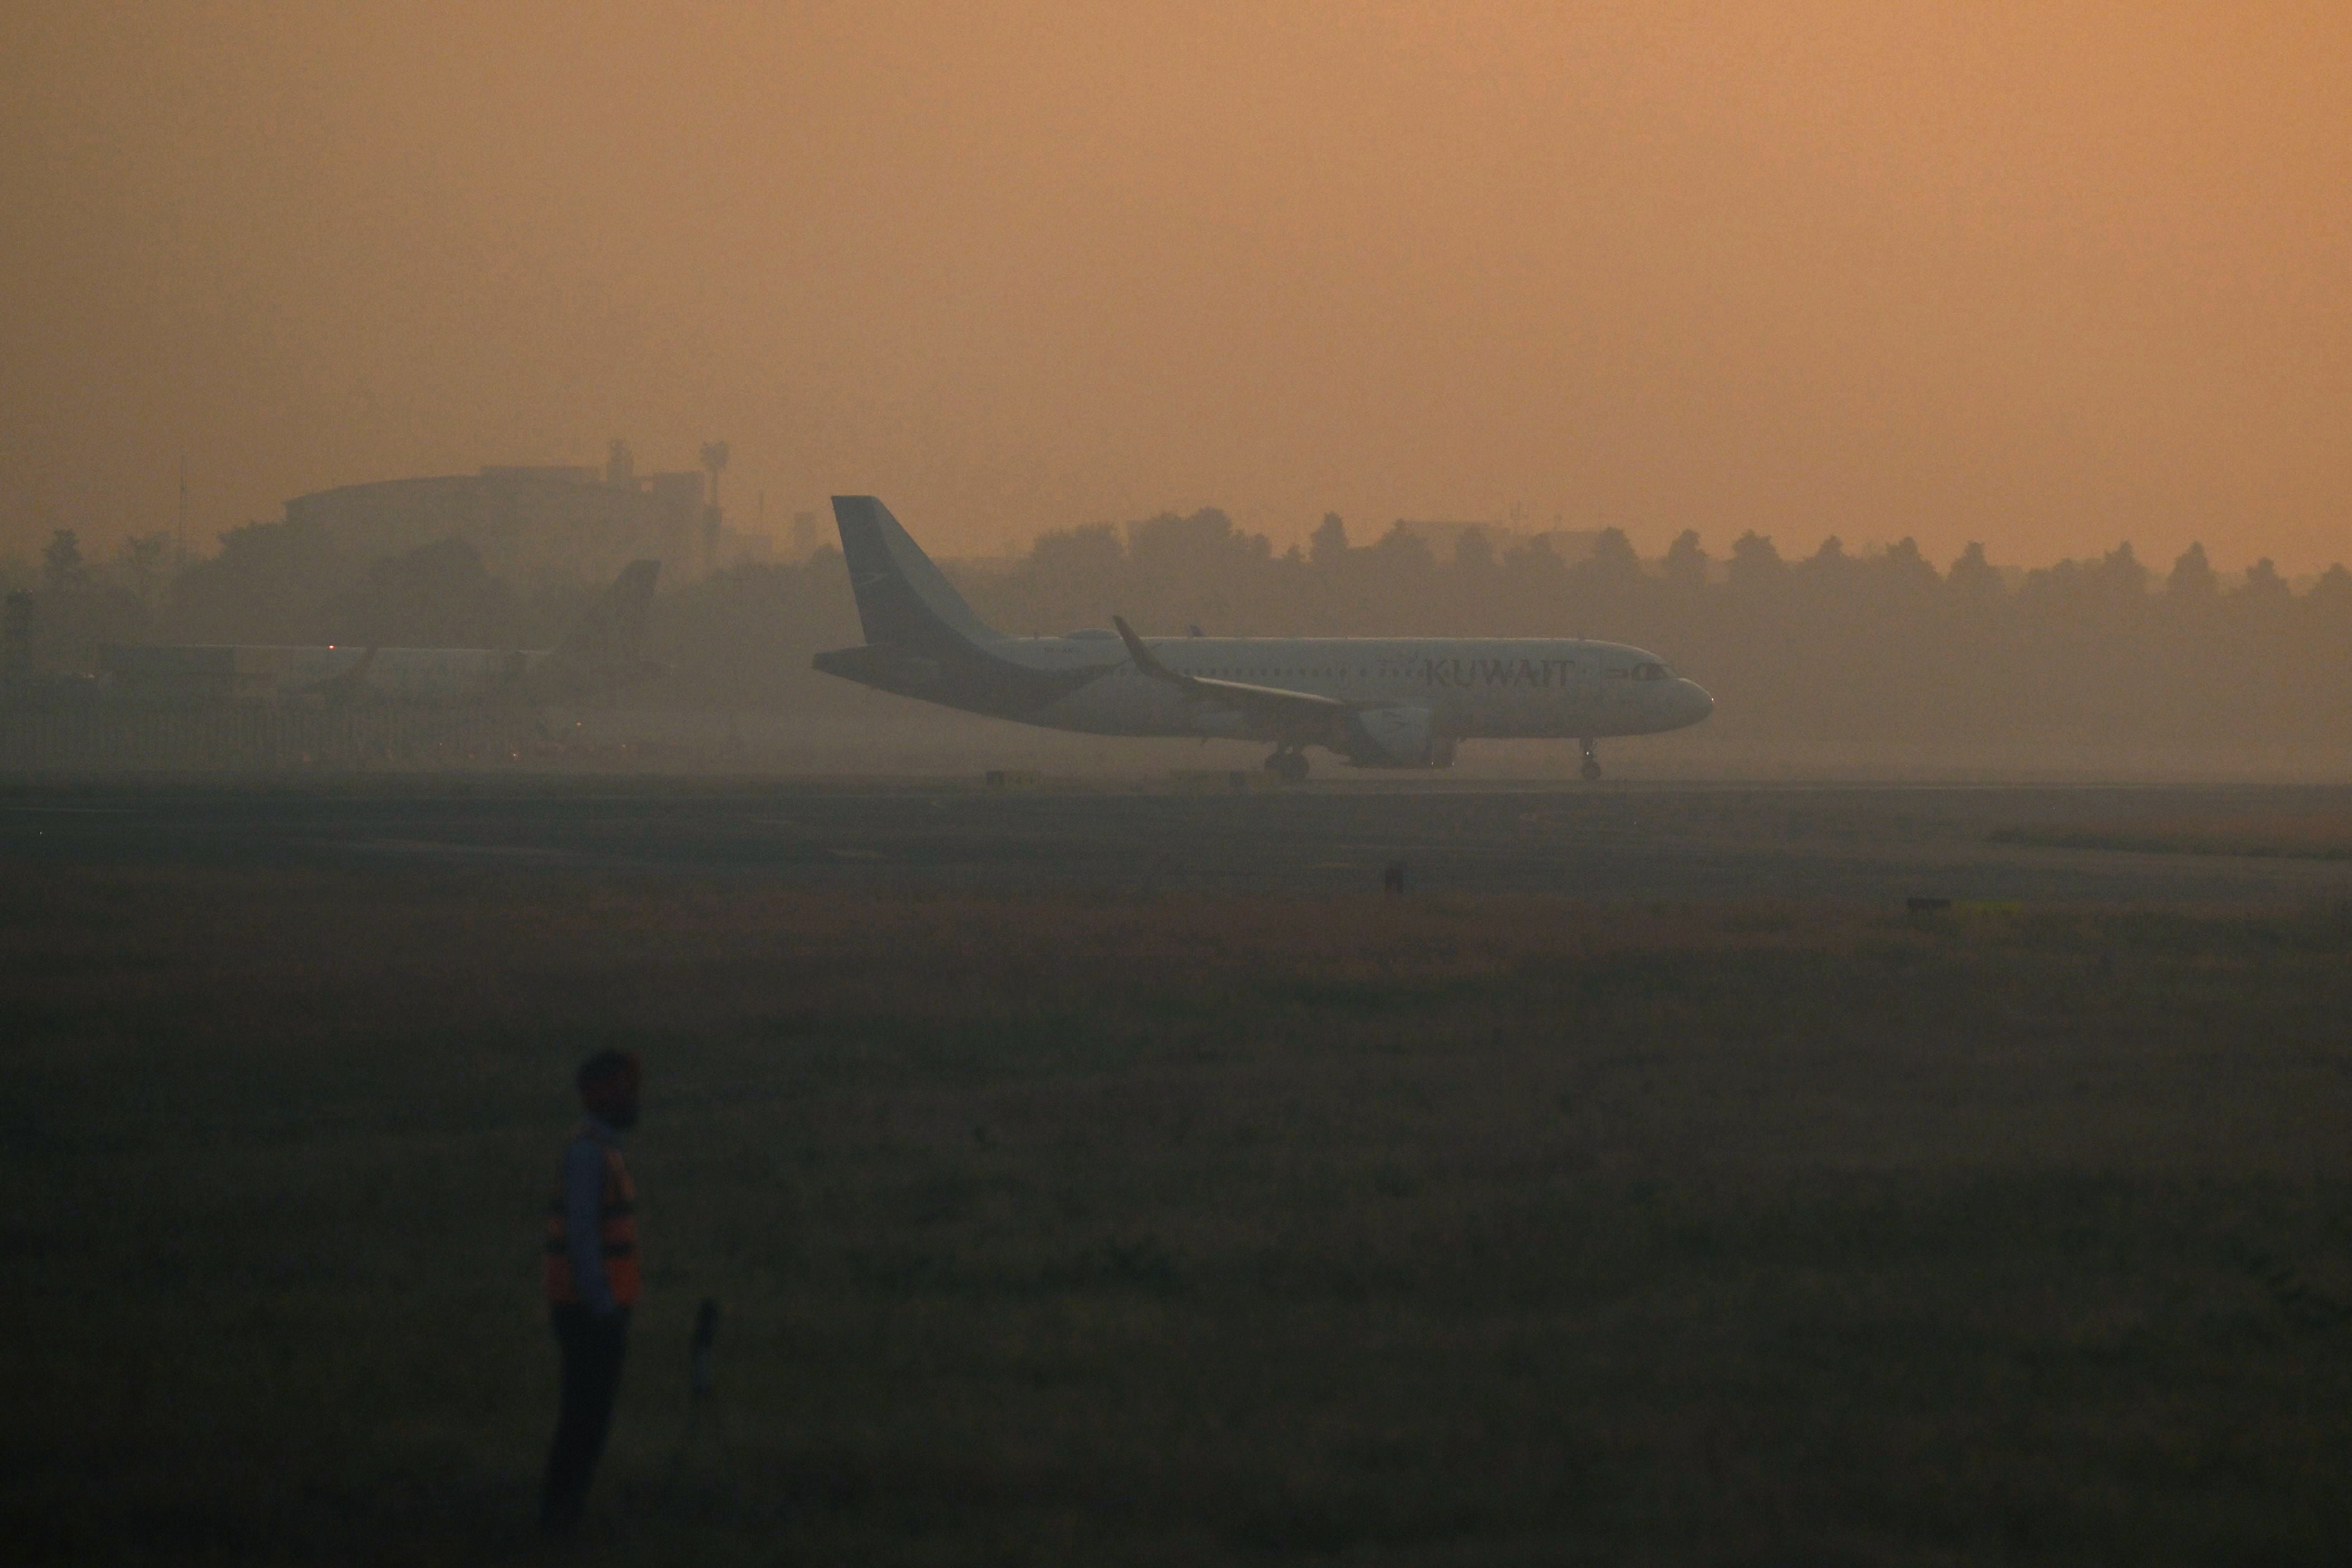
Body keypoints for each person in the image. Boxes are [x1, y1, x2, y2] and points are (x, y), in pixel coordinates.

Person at [538, 1049, 643, 1537]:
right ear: (599, 1094)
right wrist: (604, 1306)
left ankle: (565, 1512)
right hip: (589, 1310)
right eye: (623, 1089)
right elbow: (582, 1239)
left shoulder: (600, 1149)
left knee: (590, 1415)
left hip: (596, 1306)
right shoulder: (588, 1154)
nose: (632, 1098)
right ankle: (560, 1516)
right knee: (583, 1417)